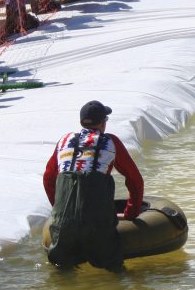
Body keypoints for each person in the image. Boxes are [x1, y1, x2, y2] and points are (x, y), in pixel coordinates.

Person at [42, 100, 144, 271]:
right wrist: (131, 213)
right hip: (98, 224)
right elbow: (135, 180)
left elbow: (48, 179)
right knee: (115, 272)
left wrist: (60, 211)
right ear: (103, 123)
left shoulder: (64, 141)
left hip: (63, 222)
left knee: (61, 272)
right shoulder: (110, 142)